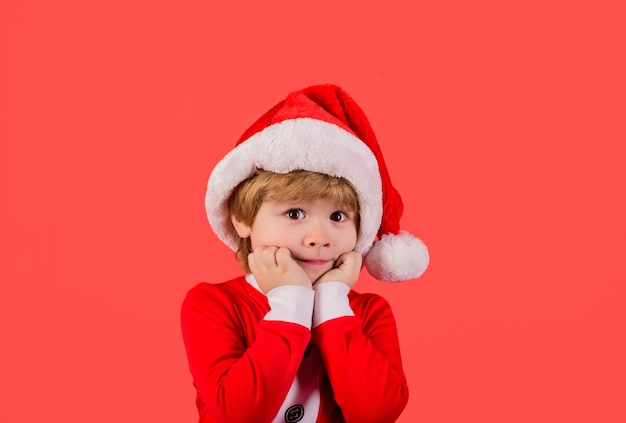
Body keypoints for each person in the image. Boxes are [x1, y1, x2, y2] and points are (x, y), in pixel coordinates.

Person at [181, 84, 429, 423]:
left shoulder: (370, 313)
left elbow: (377, 413)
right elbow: (239, 414)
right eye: (294, 213)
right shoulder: (212, 304)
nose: (319, 237)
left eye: (338, 217)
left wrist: (331, 304)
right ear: (243, 219)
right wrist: (290, 302)